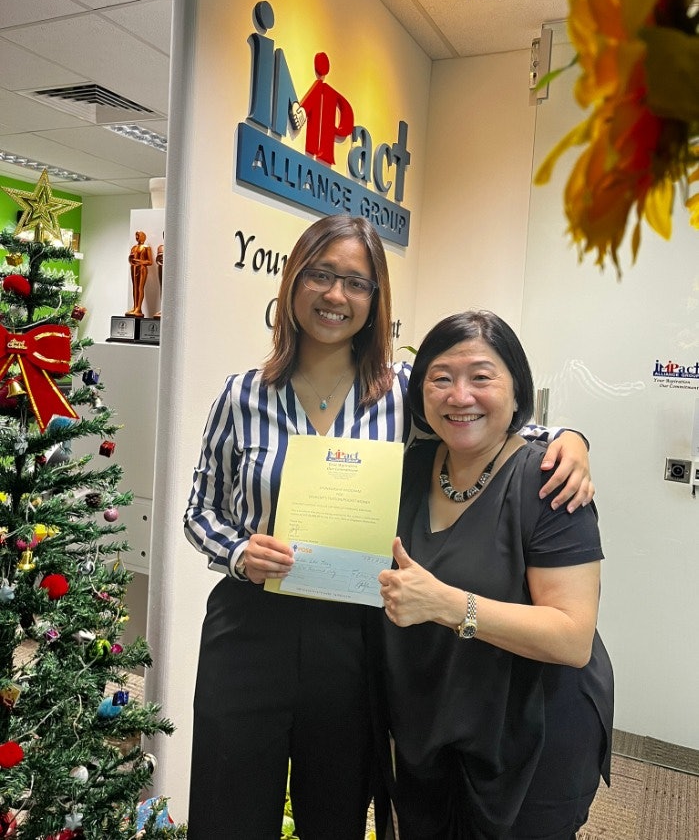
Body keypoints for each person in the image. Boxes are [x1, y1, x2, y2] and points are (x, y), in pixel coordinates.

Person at [183, 216, 594, 840]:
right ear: (293, 282)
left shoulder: (402, 393)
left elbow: (487, 425)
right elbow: (199, 511)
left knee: (337, 810)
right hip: (251, 624)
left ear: (375, 300)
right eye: (320, 275)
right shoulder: (242, 396)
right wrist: (240, 552)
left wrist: (570, 438)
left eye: (356, 282)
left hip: (356, 631)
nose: (336, 295)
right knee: (228, 807)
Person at [379, 310, 613, 840]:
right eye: (441, 378)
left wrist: (448, 605)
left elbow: (572, 637)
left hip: (530, 735)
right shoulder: (410, 467)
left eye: (481, 377)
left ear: (516, 390)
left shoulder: (549, 481)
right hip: (432, 723)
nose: (460, 396)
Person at [125, 229, 153, 317]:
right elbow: (131, 259)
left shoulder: (146, 247)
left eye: (138, 235)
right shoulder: (134, 247)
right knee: (134, 288)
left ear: (143, 237)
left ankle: (138, 307)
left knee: (140, 288)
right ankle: (135, 306)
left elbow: (150, 262)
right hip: (134, 268)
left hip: (141, 268)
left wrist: (139, 262)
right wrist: (131, 260)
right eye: (136, 236)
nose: (137, 237)